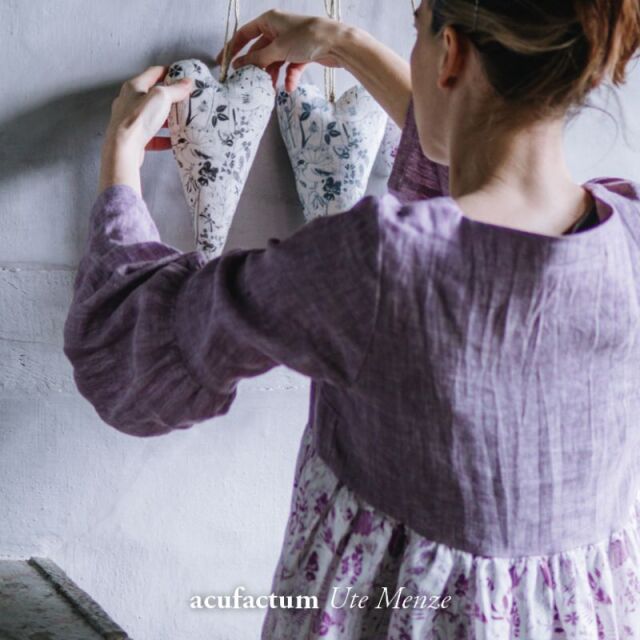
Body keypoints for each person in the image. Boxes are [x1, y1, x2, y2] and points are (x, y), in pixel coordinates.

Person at [63, 1, 640, 637]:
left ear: (449, 54)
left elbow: (139, 346)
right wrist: (340, 43)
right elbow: (479, 203)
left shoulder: (377, 263)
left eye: (418, 28)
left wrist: (121, 153)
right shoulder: (630, 237)